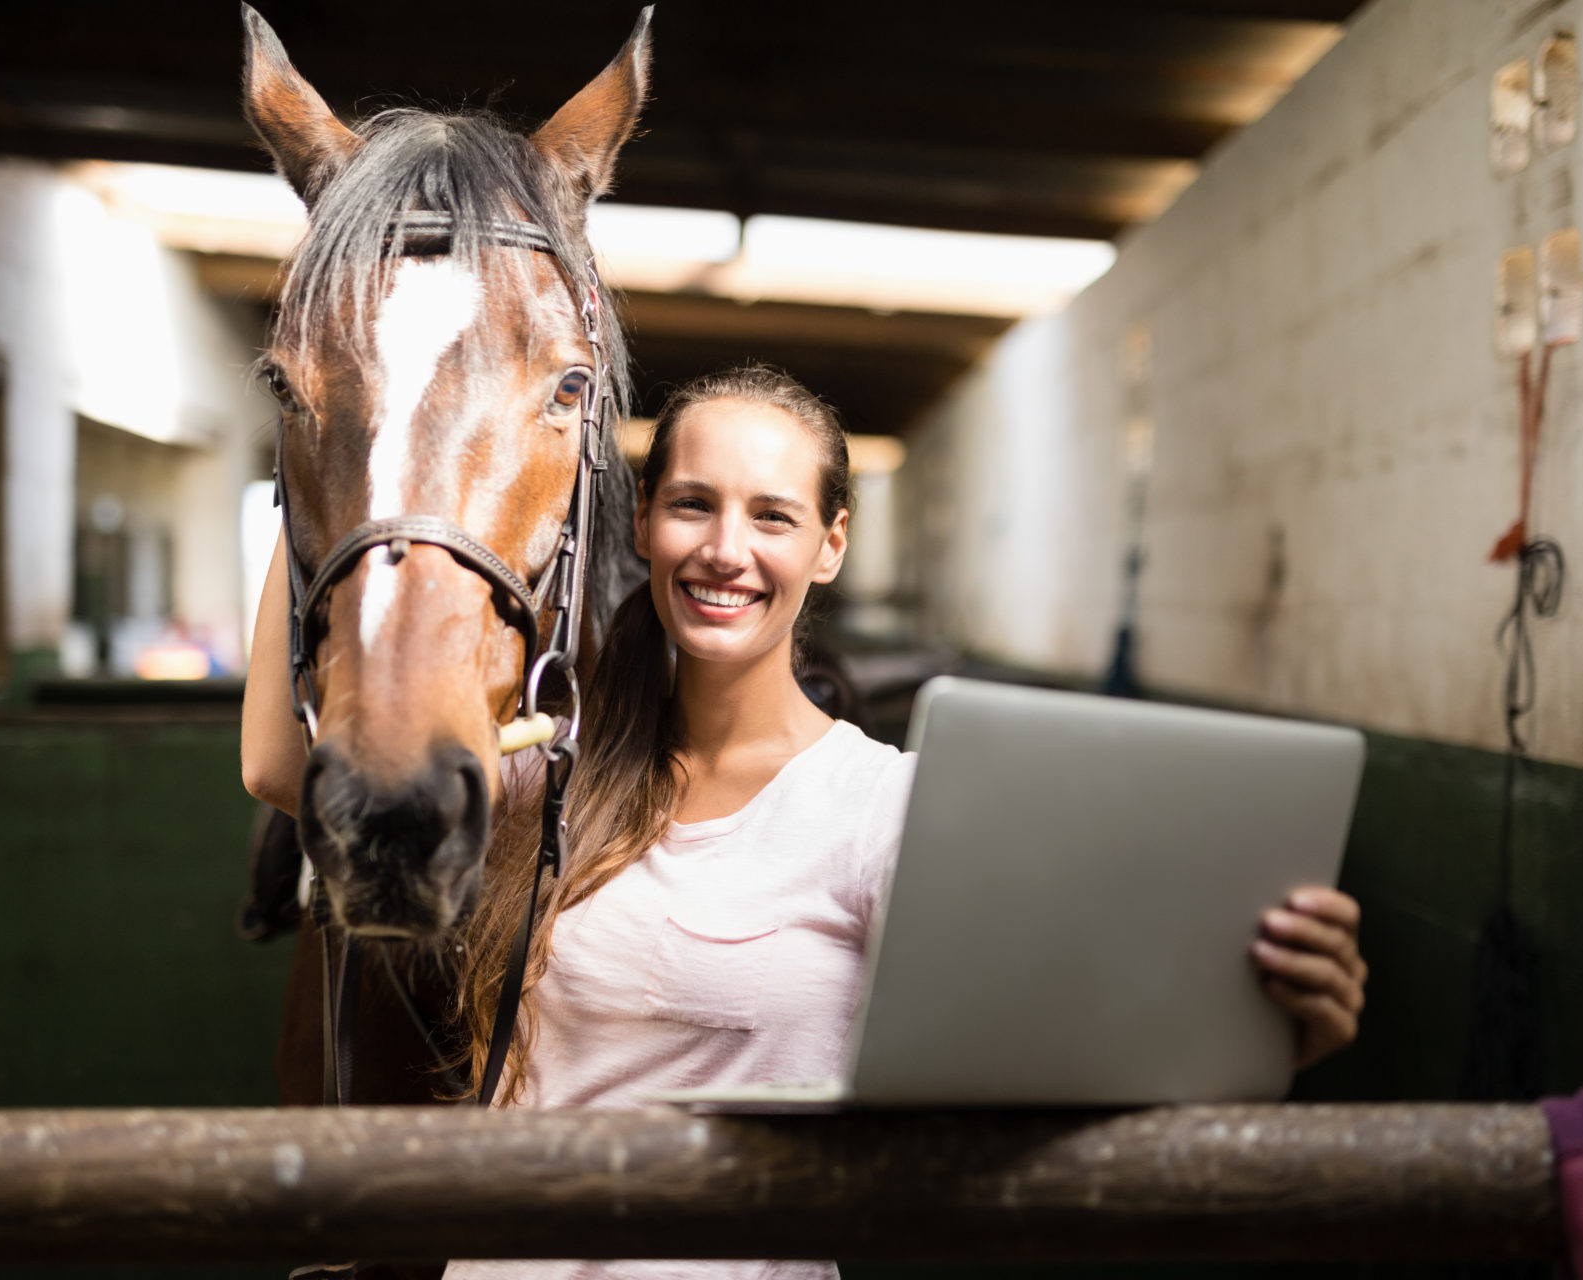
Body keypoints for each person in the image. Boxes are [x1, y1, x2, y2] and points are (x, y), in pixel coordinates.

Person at [243, 363, 1369, 1279]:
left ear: (827, 545)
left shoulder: (890, 809)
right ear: (644, 522)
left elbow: (1072, 1063)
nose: (727, 548)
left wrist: (1272, 1030)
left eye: (771, 515)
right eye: (694, 504)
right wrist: (344, 457)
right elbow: (278, 762)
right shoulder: (555, 781)